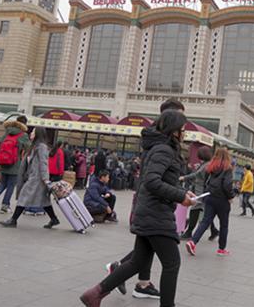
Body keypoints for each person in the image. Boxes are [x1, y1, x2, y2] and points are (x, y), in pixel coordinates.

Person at [80, 109, 195, 307]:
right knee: (172, 263)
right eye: (181, 129)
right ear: (173, 130)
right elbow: (152, 181)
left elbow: (161, 179)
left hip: (149, 211)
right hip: (156, 213)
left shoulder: (158, 148)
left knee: (138, 262)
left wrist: (183, 192)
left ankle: (95, 293)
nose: (184, 133)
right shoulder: (164, 150)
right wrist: (179, 196)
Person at [103, 98, 187, 300]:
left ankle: (134, 284)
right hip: (153, 204)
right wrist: (179, 194)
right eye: (181, 121)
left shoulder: (156, 139)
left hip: (150, 202)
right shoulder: (163, 144)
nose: (184, 129)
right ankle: (126, 278)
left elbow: (157, 173)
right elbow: (153, 179)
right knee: (168, 260)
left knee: (143, 254)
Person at [0, 127, 61, 229]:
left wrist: (45, 179)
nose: (31, 133)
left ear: (38, 134)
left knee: (24, 196)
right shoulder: (35, 146)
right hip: (34, 177)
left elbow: (44, 163)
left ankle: (13, 220)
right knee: (44, 200)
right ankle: (54, 219)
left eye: (33, 132)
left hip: (37, 178)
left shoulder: (41, 147)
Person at [185, 148, 235, 257]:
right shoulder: (228, 168)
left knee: (205, 221)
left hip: (210, 197)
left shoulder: (210, 167)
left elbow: (206, 182)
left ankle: (193, 242)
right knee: (224, 225)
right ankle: (221, 249)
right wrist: (231, 197)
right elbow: (227, 185)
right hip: (222, 200)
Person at [0, 115, 30, 214]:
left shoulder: (7, 132)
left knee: (3, 183)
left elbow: (0, 147)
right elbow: (28, 148)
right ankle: (5, 206)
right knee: (11, 185)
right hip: (15, 163)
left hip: (3, 162)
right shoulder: (23, 135)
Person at [179, 146, 219, 240]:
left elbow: (196, 175)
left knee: (195, 210)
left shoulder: (206, 165)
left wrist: (183, 178)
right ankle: (214, 231)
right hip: (199, 191)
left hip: (201, 192)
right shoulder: (205, 164)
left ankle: (189, 232)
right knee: (205, 213)